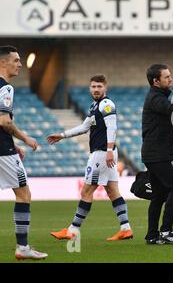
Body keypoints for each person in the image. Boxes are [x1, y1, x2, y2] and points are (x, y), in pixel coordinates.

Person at [48, 75, 133, 241]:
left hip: (102, 153)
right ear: (89, 88)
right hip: (105, 152)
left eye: (99, 86)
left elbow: (112, 127)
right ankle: (125, 228)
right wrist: (62, 135)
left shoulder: (107, 104)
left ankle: (72, 230)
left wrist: (108, 150)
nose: (96, 89)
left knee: (86, 190)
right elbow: (84, 127)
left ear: (105, 88)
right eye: (93, 86)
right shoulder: (95, 106)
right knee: (112, 190)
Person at [0, 46, 47, 260]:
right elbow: (4, 121)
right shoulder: (6, 88)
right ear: (3, 62)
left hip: (5, 146)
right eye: (16, 60)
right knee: (23, 194)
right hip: (3, 152)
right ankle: (22, 247)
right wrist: (25, 139)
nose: (20, 64)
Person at [141, 64, 173, 245]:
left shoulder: (158, 96)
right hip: (158, 155)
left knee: (159, 195)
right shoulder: (155, 98)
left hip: (155, 154)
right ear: (156, 81)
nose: (171, 79)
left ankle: (152, 235)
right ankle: (166, 231)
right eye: (167, 77)